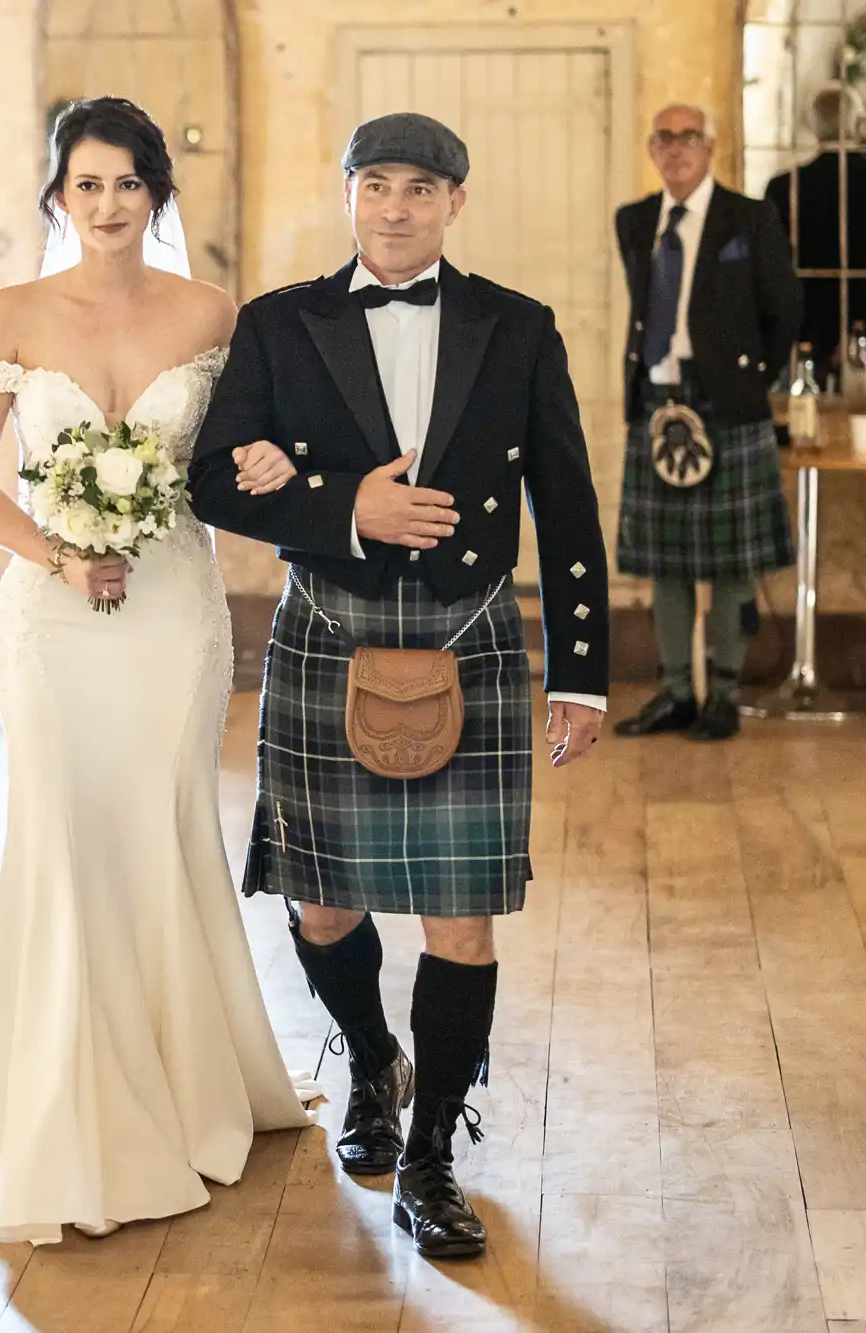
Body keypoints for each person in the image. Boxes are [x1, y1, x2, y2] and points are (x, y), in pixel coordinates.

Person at [0, 97, 316, 1247]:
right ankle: (65, 1095)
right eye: (86, 184)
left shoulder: (212, 315)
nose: (108, 204)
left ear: (156, 196)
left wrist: (279, 460)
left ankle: (182, 1080)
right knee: (62, 831)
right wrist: (59, 552)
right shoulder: (11, 313)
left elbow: (234, 462)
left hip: (173, 607)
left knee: (161, 822)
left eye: (128, 184)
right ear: (57, 197)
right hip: (51, 616)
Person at [189, 112, 609, 1260]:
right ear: (346, 193)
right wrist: (337, 508)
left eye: (418, 188)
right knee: (320, 904)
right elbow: (209, 478)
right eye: (374, 184)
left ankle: (428, 1158)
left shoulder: (514, 328)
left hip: (468, 634)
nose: (393, 207)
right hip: (327, 627)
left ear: (453, 204)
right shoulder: (278, 325)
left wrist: (579, 673)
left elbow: (564, 504)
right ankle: (372, 1058)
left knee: (458, 923)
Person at [615, 103, 800, 741]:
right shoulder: (635, 222)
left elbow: (785, 310)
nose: (676, 149)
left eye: (688, 137)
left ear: (710, 146)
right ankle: (674, 693)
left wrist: (747, 379)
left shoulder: (750, 218)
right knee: (662, 560)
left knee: (729, 563)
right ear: (652, 148)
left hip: (728, 401)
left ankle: (722, 693)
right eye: (664, 138)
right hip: (658, 397)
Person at [764, 85, 866, 378]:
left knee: (804, 413)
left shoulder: (784, 187)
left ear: (812, 126)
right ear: (857, 125)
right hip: (860, 322)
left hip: (805, 326)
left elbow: (773, 268)